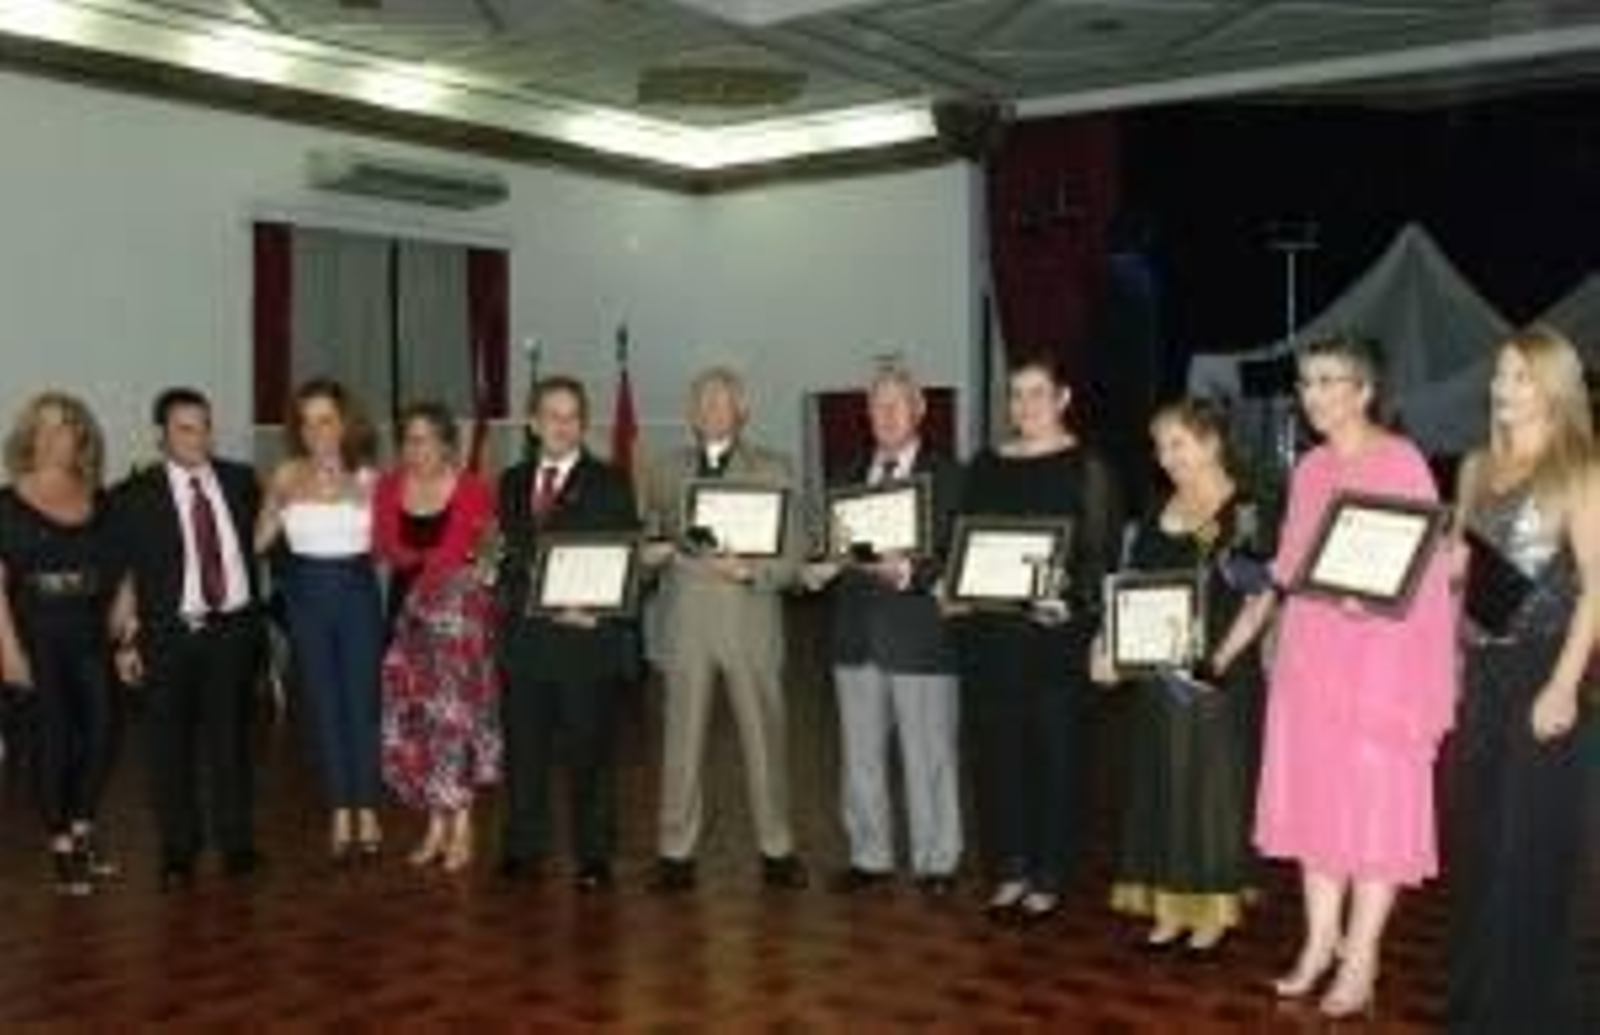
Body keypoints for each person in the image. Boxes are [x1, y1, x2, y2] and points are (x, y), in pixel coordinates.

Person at [1213, 335, 1455, 1019]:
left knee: (1374, 809)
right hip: (1313, 656)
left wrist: (1376, 597)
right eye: (1307, 381)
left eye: (1328, 380)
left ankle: (1363, 957)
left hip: (1381, 662)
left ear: (1364, 390)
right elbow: (1290, 565)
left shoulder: (1402, 460)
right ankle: (1320, 943)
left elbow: (1425, 569)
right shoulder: (1312, 466)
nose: (1313, 394)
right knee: (1319, 805)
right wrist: (1237, 632)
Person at [1448, 326, 1598, 1034]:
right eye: (1502, 375)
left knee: (1528, 844)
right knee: (1480, 839)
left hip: (1545, 668)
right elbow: (1467, 571)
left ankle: (1531, 1011)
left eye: (1523, 377)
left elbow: (1598, 589)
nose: (1505, 389)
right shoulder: (1477, 466)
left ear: (1555, 387)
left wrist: (1566, 684)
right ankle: (1480, 1001)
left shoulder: (1581, 469)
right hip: (1482, 671)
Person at [950, 358, 1122, 921]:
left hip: (1054, 639)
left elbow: (1102, 557)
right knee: (996, 755)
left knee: (1055, 756)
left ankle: (1049, 872)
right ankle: (1009, 867)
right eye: (1016, 395)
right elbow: (962, 541)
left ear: (1063, 396)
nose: (1024, 406)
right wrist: (955, 589)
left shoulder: (1088, 466)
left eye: (1037, 393)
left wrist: (1073, 605)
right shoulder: (985, 463)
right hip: (990, 636)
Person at [1093, 399, 1265, 952]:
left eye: (1177, 444)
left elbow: (1260, 600)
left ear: (1211, 442)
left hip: (1219, 671)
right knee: (1163, 780)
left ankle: (1212, 910)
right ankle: (1169, 905)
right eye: (1160, 446)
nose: (1165, 458)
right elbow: (1130, 584)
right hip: (1159, 670)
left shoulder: (1246, 511)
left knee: (1210, 789)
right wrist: (1105, 643)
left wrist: (1218, 661)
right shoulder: (1156, 507)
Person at [642, 367, 807, 891]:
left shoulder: (774, 467)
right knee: (680, 741)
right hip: (686, 621)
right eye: (701, 401)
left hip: (750, 618)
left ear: (742, 409)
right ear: (691, 413)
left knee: (765, 737)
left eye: (721, 400)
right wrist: (650, 556)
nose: (711, 409)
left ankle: (777, 847)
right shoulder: (665, 470)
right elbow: (649, 542)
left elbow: (796, 552)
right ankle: (675, 851)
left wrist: (754, 572)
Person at [803, 367, 963, 897]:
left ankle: (936, 859)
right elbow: (829, 547)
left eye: (898, 405)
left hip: (919, 634)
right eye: (877, 406)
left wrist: (909, 572)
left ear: (919, 410)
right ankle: (869, 855)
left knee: (929, 754)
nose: (887, 415)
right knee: (860, 756)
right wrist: (818, 566)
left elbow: (959, 559)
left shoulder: (950, 475)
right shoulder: (846, 475)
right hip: (854, 635)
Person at [111, 387, 264, 890]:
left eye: (205, 426)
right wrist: (126, 643)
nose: (199, 437)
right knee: (168, 749)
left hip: (232, 632)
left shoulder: (241, 481)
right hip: (169, 635)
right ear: (161, 436)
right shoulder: (135, 496)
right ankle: (179, 850)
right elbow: (126, 575)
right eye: (185, 428)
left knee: (231, 743)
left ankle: (237, 843)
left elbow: (263, 539)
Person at [497, 376, 640, 891]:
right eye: (551, 415)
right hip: (525, 642)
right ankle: (523, 846)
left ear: (583, 424)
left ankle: (594, 855)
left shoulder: (609, 481)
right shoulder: (510, 481)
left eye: (571, 416)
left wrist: (602, 613)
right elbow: (504, 555)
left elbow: (629, 562)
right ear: (533, 424)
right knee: (525, 752)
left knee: (590, 754)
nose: (561, 424)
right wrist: (493, 573)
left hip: (584, 640)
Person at [255, 378, 384, 864]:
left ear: (344, 423)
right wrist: (280, 501)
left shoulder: (370, 478)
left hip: (356, 595)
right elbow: (260, 540)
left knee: (363, 705)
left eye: (325, 419)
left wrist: (351, 489)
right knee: (323, 706)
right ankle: (339, 809)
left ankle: (367, 808)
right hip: (306, 596)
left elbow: (393, 544)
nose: (316, 431)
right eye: (307, 422)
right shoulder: (287, 473)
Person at [0, 392, 123, 895]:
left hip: (90, 631)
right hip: (35, 633)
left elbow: (125, 561)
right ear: (30, 437)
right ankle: (61, 847)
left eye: (65, 427)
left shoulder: (99, 497)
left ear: (81, 438)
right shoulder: (6, 503)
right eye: (45, 428)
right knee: (51, 740)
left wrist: (126, 613)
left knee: (101, 731)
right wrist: (6, 651)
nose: (55, 437)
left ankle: (82, 828)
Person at [372, 401, 499, 873]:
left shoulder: (472, 488)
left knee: (456, 723)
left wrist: (424, 566)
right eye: (408, 439)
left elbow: (467, 552)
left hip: (457, 621)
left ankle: (463, 825)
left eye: (424, 438)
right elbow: (384, 544)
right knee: (420, 724)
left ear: (447, 442)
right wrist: (417, 567)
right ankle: (434, 825)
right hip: (407, 619)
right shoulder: (389, 486)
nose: (414, 448)